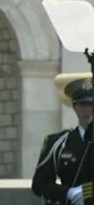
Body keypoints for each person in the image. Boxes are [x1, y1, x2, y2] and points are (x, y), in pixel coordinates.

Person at [32, 73, 94, 205]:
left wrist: (88, 191)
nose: (88, 109)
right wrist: (67, 193)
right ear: (74, 107)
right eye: (82, 104)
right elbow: (40, 183)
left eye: (92, 104)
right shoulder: (58, 143)